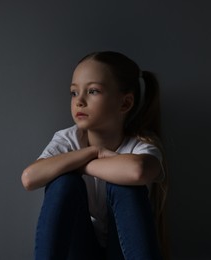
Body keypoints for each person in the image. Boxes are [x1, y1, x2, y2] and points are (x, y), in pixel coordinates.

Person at [21, 51, 168, 260]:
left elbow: (138, 171)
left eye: (93, 91)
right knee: (64, 183)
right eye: (74, 93)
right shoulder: (69, 139)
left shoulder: (141, 145)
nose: (79, 101)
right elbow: (29, 178)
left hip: (123, 253)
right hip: (81, 251)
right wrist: (93, 152)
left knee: (123, 184)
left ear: (125, 103)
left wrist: (80, 164)